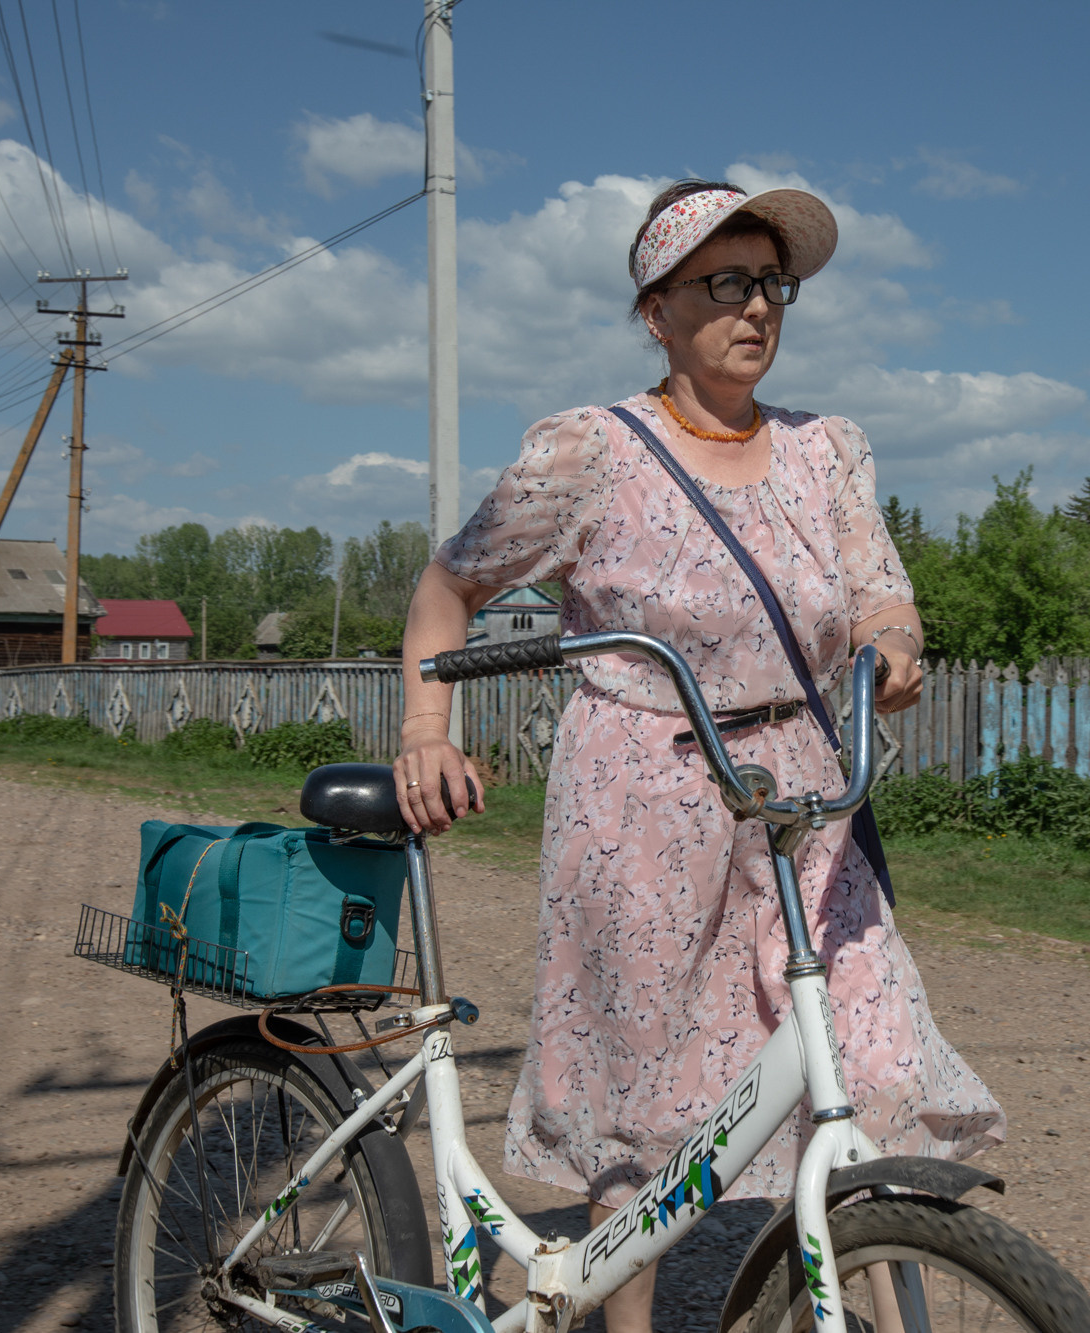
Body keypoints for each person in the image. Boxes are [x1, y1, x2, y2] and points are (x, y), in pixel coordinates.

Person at [394, 179, 1005, 1332]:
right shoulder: (589, 452)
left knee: (870, 1063)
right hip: (642, 794)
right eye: (722, 283)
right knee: (646, 1104)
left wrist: (890, 646)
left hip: (806, 797)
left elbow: (882, 598)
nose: (756, 307)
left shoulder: (827, 453)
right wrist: (427, 729)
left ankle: (882, 1289)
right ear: (655, 310)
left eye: (769, 283)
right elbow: (450, 582)